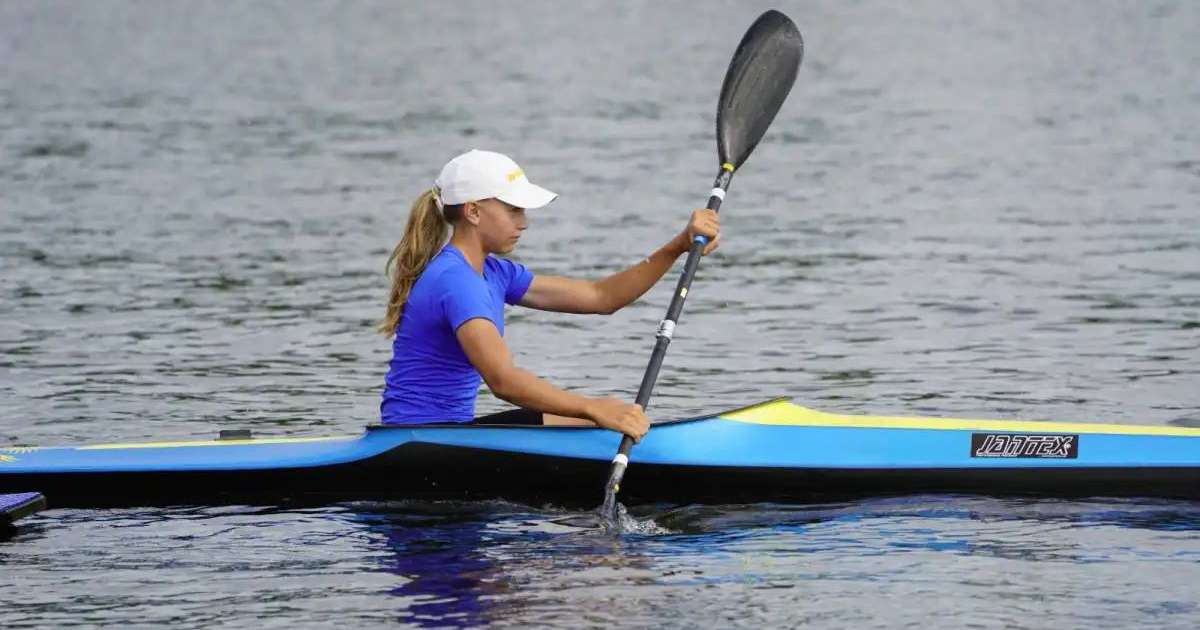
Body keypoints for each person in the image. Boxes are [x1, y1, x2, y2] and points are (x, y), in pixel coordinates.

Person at [378, 149, 720, 443]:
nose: (524, 222)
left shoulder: (495, 273)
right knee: (592, 419)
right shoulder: (457, 281)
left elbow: (601, 297)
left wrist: (677, 246)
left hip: (447, 436)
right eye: (514, 210)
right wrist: (591, 405)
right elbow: (503, 381)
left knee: (592, 421)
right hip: (418, 442)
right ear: (473, 212)